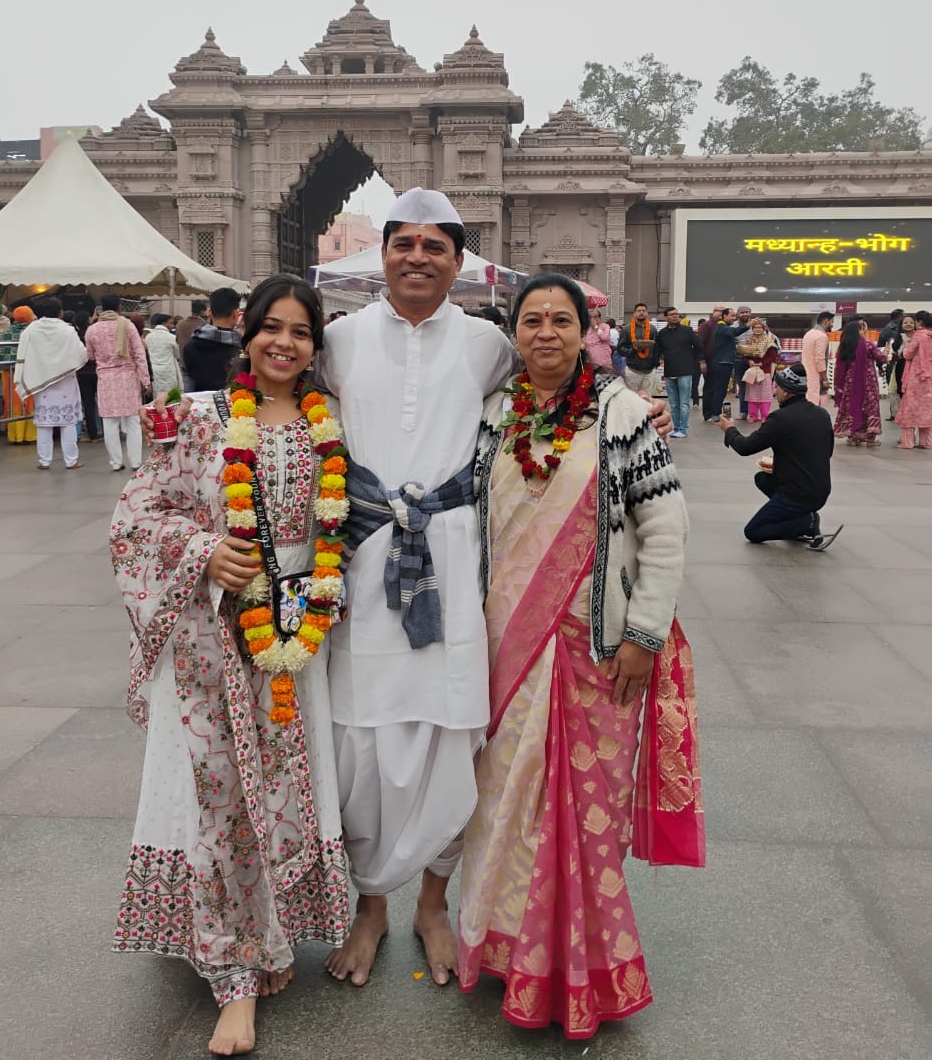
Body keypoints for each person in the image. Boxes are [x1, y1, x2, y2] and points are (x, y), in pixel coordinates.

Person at [143, 189, 676, 991]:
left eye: (436, 246)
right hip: (354, 559)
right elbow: (279, 395)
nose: (419, 257)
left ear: (459, 260)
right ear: (383, 253)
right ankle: (370, 907)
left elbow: (549, 394)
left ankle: (433, 902)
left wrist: (632, 408)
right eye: (405, 244)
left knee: (455, 735)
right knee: (356, 741)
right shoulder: (341, 338)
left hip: (459, 567)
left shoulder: (488, 342)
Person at [112, 274, 349, 1057]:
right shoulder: (203, 417)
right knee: (221, 796)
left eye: (301, 332)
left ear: (316, 347)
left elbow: (339, 526)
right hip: (212, 637)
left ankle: (270, 941)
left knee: (283, 793)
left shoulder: (330, 426)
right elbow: (137, 516)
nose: (284, 343)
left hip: (295, 640)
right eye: (271, 328)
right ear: (246, 334)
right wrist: (206, 550)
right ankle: (230, 976)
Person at [458, 274, 700, 1037]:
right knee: (501, 807)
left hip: (596, 655)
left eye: (560, 320)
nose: (545, 334)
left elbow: (664, 528)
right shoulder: (493, 416)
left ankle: (583, 969)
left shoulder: (621, 412)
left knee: (583, 816)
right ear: (514, 334)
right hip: (504, 651)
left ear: (584, 330)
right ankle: (507, 951)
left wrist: (642, 636)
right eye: (530, 321)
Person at [719, 364, 842, 550]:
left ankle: (806, 522)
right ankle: (803, 515)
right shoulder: (822, 415)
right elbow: (827, 451)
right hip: (820, 490)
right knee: (762, 478)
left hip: (797, 494)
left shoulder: (780, 419)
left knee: (754, 531)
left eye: (777, 387)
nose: (775, 391)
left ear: (787, 392)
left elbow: (745, 447)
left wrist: (729, 430)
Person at [13, 297, 87, 470]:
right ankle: (71, 460)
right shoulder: (67, 330)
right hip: (65, 381)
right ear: (60, 312)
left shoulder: (31, 330)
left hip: (40, 380)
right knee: (68, 422)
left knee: (44, 422)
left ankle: (44, 461)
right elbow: (81, 354)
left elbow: (23, 353)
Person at [85, 293, 151, 471]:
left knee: (109, 422)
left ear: (101, 309)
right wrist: (146, 381)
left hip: (106, 379)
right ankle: (136, 462)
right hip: (128, 378)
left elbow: (89, 355)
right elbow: (139, 354)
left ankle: (115, 462)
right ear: (119, 308)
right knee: (132, 421)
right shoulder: (127, 326)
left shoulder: (92, 329)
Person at [833, 318, 887, 447]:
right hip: (868, 383)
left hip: (850, 383)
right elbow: (882, 358)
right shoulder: (868, 344)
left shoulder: (844, 346)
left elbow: (838, 368)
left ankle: (853, 437)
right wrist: (887, 351)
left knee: (853, 406)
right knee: (869, 407)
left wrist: (838, 387)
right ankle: (870, 438)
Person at [654, 305, 705, 438]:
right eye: (672, 314)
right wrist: (655, 363)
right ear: (666, 317)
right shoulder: (662, 334)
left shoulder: (687, 330)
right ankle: (676, 427)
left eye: (676, 314)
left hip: (685, 370)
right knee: (674, 403)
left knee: (684, 402)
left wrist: (695, 360)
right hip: (670, 371)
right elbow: (657, 351)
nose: (675, 316)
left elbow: (699, 346)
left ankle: (682, 429)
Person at [183, 287, 242, 391]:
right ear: (235, 314)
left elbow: (189, 383)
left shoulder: (190, 346)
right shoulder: (243, 348)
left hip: (201, 404)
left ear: (209, 312)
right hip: (237, 404)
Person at [0, 306, 38, 443]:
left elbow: (0, 355)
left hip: (9, 374)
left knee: (12, 402)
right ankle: (30, 435)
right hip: (30, 373)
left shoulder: (6, 333)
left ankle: (15, 435)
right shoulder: (33, 333)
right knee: (30, 401)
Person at [894, 310, 932, 449]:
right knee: (926, 409)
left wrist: (906, 346)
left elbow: (907, 354)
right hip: (929, 377)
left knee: (910, 408)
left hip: (916, 376)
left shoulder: (919, 336)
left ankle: (907, 442)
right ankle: (926, 442)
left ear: (920, 322)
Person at [736, 316, 778, 422]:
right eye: (755, 327)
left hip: (765, 371)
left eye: (760, 327)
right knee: (752, 394)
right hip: (752, 371)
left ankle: (764, 416)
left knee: (765, 394)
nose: (758, 329)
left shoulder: (769, 341)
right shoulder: (749, 341)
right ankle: (753, 415)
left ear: (764, 329)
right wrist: (749, 361)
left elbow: (772, 356)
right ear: (752, 329)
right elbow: (744, 354)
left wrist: (762, 363)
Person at [617, 301, 658, 393]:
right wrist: (633, 350)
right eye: (639, 310)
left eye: (643, 310)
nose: (641, 312)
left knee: (647, 400)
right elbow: (620, 349)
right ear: (634, 313)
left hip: (649, 371)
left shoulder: (652, 329)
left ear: (647, 313)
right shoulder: (627, 329)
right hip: (633, 370)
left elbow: (656, 348)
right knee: (632, 400)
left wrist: (656, 363)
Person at [73, 311, 101, 442]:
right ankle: (104, 430)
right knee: (102, 402)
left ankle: (93, 435)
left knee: (88, 404)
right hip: (98, 371)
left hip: (83, 373)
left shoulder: (75, 336)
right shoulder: (94, 334)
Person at [146, 312, 184, 395]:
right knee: (170, 397)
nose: (173, 326)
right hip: (168, 370)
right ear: (164, 323)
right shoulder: (171, 337)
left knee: (157, 397)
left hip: (153, 370)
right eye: (171, 323)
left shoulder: (148, 337)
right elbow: (178, 354)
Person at [801, 311, 834, 406]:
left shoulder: (808, 334)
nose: (832, 325)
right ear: (826, 322)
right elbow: (820, 360)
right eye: (831, 322)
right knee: (813, 406)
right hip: (815, 377)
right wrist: (825, 379)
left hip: (806, 375)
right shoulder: (822, 336)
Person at [887, 314, 914, 422]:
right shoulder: (897, 340)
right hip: (901, 369)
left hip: (916, 369)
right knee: (900, 394)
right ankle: (903, 419)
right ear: (901, 325)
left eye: (911, 322)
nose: (908, 324)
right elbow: (892, 358)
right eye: (905, 322)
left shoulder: (919, 337)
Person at [730, 305, 754, 418]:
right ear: (738, 314)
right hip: (739, 360)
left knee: (755, 386)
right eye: (742, 312)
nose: (745, 314)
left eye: (747, 312)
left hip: (754, 360)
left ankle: (754, 411)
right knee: (742, 386)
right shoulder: (733, 326)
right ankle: (744, 411)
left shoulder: (756, 326)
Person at [584, 306, 615, 373]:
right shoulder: (587, 328)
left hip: (603, 361)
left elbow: (604, 337)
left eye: (595, 316)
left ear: (599, 317)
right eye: (590, 317)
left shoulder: (605, 326)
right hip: (590, 360)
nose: (592, 319)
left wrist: (596, 327)